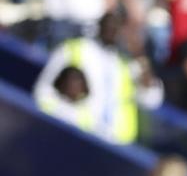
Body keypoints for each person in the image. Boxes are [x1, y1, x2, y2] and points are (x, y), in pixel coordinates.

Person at [34, 12, 164, 144]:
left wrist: (139, 55)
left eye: (117, 26)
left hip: (118, 146)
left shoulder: (127, 64)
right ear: (99, 25)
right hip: (78, 139)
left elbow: (151, 100)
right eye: (109, 23)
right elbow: (43, 94)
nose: (112, 29)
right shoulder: (74, 49)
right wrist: (71, 118)